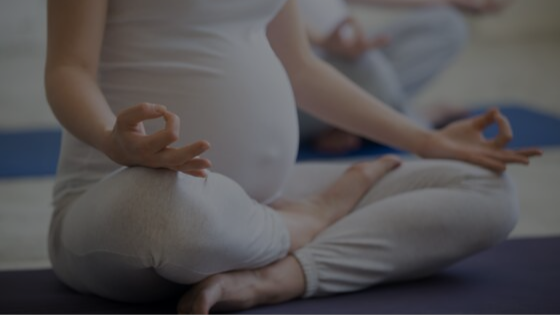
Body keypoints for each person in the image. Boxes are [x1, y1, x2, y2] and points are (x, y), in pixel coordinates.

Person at [45, 0, 539, 314]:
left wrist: (425, 139)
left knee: (486, 191)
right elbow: (70, 67)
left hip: (263, 198)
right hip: (125, 204)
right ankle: (303, 224)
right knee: (160, 216)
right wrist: (113, 139)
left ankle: (278, 276)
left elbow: (301, 68)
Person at [297, 0, 513, 153]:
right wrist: (323, 41)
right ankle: (418, 120)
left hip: (347, 53)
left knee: (447, 24)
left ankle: (351, 122)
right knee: (370, 69)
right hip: (302, 71)